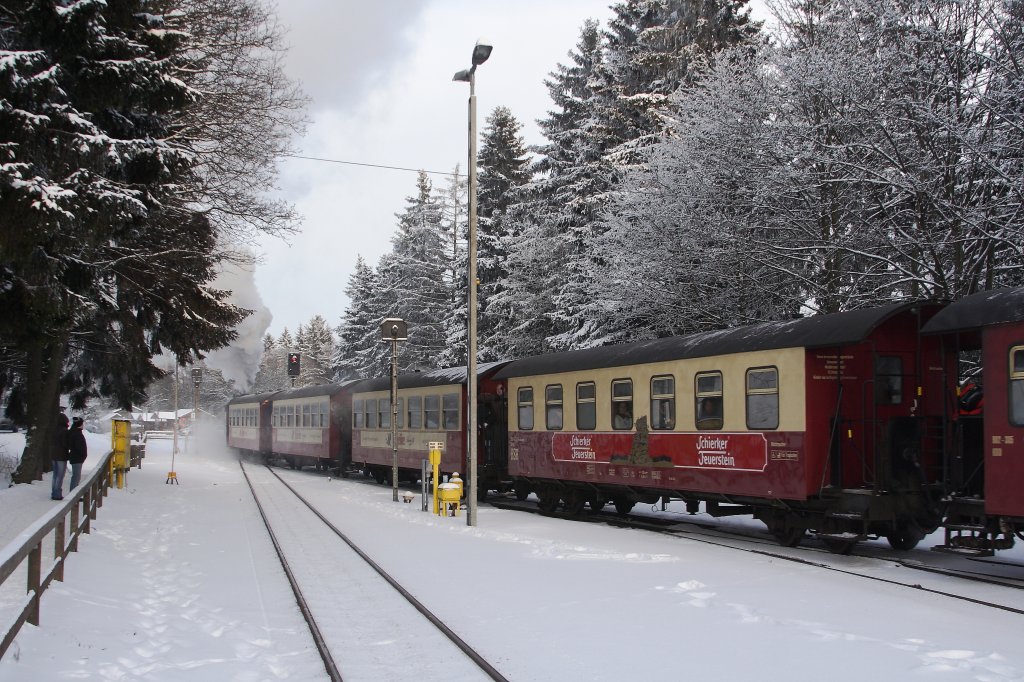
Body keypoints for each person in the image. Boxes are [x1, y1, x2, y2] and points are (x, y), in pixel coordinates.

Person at [51, 411, 70, 500]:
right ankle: (57, 494)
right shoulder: (64, 431)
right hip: (61, 455)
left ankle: (54, 492)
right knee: (60, 475)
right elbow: (65, 443)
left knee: (55, 475)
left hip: (53, 455)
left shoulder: (54, 429)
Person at [67, 416, 88, 490]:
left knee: (76, 476)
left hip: (76, 457)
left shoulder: (74, 432)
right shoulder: (76, 434)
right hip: (77, 458)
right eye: (82, 424)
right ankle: (73, 494)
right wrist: (82, 454)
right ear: (80, 424)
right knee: (76, 477)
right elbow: (79, 447)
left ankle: (74, 493)